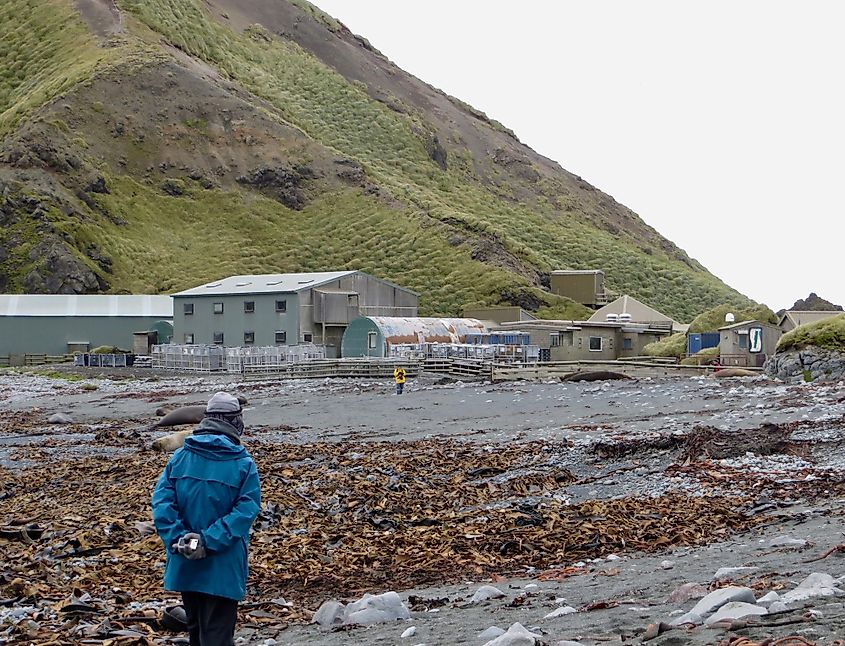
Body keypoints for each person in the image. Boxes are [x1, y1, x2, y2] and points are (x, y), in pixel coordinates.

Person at [152, 392, 261, 646]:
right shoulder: (243, 464)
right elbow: (245, 511)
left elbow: (162, 504)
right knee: (218, 635)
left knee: (196, 631)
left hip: (185, 561)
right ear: (235, 421)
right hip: (222, 565)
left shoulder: (179, 458)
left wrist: (180, 539)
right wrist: (208, 542)